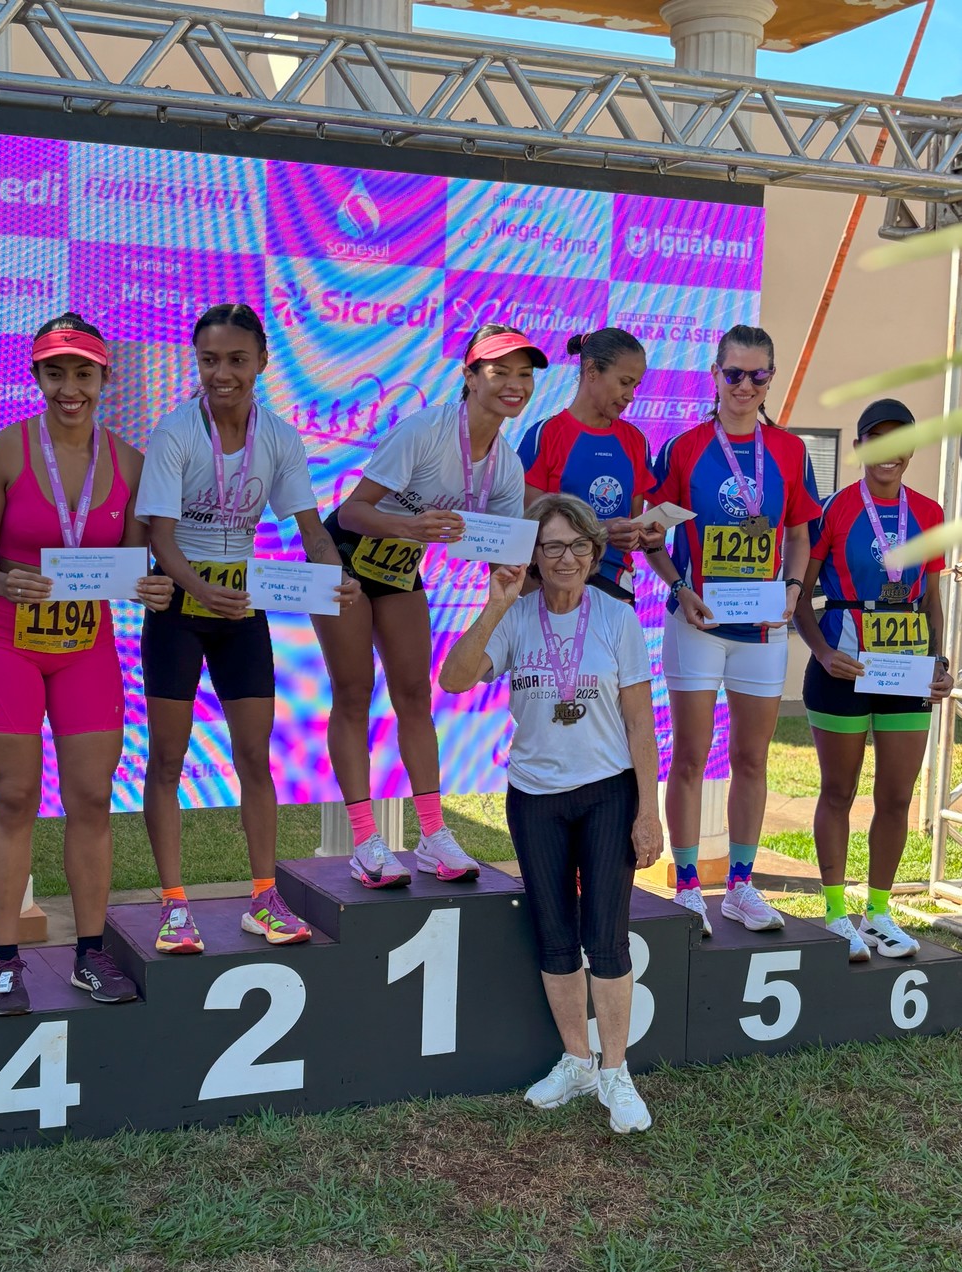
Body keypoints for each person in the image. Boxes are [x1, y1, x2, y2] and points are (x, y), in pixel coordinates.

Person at [0, 312, 173, 1016]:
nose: (69, 388)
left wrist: (152, 584)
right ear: (37, 377)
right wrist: (3, 581)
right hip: (6, 643)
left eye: (83, 373)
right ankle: (3, 961)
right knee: (15, 797)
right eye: (56, 373)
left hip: (85, 650)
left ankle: (88, 955)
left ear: (104, 378)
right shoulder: (1, 453)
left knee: (89, 798)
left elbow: (143, 562)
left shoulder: (131, 464)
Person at [135, 303, 357, 954]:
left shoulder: (279, 437)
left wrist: (332, 571)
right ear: (196, 363)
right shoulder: (176, 432)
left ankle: (264, 896)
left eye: (236, 360)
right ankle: (175, 907)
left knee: (255, 758)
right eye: (209, 361)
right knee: (169, 759)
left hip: (242, 610)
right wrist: (199, 588)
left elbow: (310, 528)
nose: (221, 373)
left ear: (262, 361)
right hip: (180, 609)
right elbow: (160, 537)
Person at [440, 493, 663, 1132]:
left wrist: (649, 811)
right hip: (534, 795)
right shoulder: (517, 615)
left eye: (577, 546)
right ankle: (577, 1060)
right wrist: (494, 606)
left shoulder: (617, 618)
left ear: (595, 554)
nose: (565, 558)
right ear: (533, 555)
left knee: (607, 934)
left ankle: (617, 1074)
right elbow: (455, 679)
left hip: (607, 790)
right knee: (555, 933)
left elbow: (640, 724)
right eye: (550, 546)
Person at [318, 323, 547, 889]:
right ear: (469, 377)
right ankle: (366, 841)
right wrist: (410, 525)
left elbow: (500, 545)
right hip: (341, 560)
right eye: (499, 372)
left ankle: (432, 834)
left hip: (397, 570)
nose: (514, 385)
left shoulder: (506, 463)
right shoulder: (424, 430)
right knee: (353, 693)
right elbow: (351, 512)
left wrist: (513, 573)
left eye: (525, 375)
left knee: (415, 695)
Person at [647, 324, 821, 937]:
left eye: (758, 375)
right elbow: (651, 534)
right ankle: (690, 885)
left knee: (751, 758)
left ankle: (741, 886)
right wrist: (678, 588)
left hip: (764, 626)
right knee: (691, 757)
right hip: (699, 622)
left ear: (770, 378)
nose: (745, 386)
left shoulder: (791, 452)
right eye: (734, 374)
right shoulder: (685, 447)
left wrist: (795, 592)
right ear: (714, 375)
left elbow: (799, 535)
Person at [793, 399, 952, 959]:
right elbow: (801, 603)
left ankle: (879, 911)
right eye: (875, 439)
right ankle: (837, 912)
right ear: (860, 448)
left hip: (905, 671)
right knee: (838, 791)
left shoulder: (930, 513)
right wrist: (820, 652)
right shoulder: (833, 510)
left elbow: (931, 600)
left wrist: (939, 662)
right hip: (843, 667)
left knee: (897, 796)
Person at [519, 328, 662, 604]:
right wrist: (601, 529)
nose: (631, 395)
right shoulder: (545, 435)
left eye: (636, 385)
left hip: (614, 587)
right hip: (552, 586)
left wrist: (643, 535)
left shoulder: (636, 442)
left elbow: (632, 524)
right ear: (592, 370)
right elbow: (528, 528)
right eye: (624, 382)